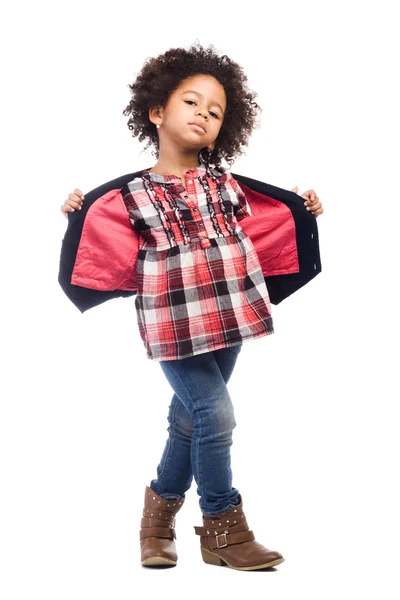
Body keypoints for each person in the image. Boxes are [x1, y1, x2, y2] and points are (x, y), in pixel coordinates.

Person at [60, 42, 324, 571]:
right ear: (157, 111)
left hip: (230, 308)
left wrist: (302, 210)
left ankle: (156, 522)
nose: (203, 113)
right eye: (191, 102)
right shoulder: (131, 195)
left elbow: (264, 226)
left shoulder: (226, 185)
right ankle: (222, 528)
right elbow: (103, 239)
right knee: (216, 414)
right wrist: (78, 212)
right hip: (172, 320)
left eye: (215, 110)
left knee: (190, 419)